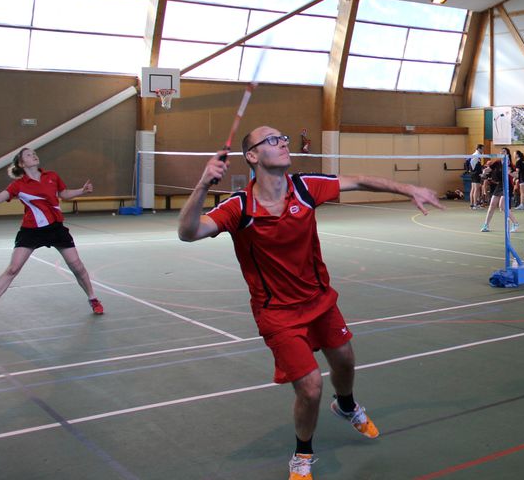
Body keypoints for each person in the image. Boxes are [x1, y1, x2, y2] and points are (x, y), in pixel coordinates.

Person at [177, 127, 442, 480]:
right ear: (252, 156)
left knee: (345, 358)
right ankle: (303, 453)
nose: (283, 142)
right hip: (277, 314)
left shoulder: (304, 187)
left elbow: (359, 181)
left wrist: (409, 188)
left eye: (282, 137)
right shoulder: (239, 207)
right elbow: (188, 232)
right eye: (271, 140)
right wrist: (203, 184)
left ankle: (346, 405)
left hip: (319, 300)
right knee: (311, 386)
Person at [0, 148, 103, 328]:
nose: (33, 155)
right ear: (21, 163)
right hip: (31, 230)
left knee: (77, 266)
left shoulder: (52, 176)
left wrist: (82, 191)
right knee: (12, 269)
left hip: (55, 228)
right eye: (28, 155)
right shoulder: (18, 185)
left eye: (34, 153)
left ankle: (92, 298)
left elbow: (63, 194)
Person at [481, 148, 519, 233]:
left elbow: (516, 175)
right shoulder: (497, 163)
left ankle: (515, 223)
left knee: (502, 206)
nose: (502, 152)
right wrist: (484, 171)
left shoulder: (510, 165)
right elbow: (489, 169)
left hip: (508, 185)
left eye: (504, 151)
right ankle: (486, 225)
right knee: (492, 205)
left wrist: (510, 173)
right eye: (501, 151)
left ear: (507, 154)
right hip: (500, 185)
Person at [468, 144, 485, 209]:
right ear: (478, 149)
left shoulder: (475, 154)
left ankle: (472, 204)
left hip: (473, 173)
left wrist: (471, 171)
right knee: (476, 189)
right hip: (475, 174)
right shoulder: (476, 155)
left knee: (473, 189)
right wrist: (479, 173)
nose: (483, 150)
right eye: (482, 149)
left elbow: (470, 164)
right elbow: (474, 165)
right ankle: (475, 204)